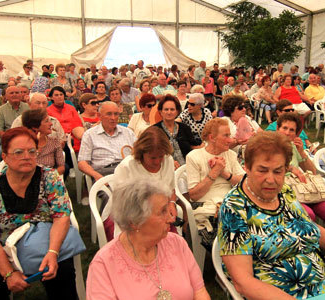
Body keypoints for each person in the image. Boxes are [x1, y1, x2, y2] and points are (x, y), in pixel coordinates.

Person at [218, 131, 325, 299]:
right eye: (262, 170)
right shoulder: (235, 207)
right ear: (246, 167)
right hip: (274, 290)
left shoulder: (283, 192)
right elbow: (243, 281)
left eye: (278, 171)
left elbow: (309, 229)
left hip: (319, 281)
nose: (271, 179)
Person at [0, 127, 76, 300]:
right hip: (4, 246)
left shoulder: (49, 177)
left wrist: (53, 252)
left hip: (46, 241)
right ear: (4, 156)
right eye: (18, 152)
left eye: (32, 151)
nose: (27, 156)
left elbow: (61, 217)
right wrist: (9, 273)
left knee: (62, 274)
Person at [86, 177, 210, 300]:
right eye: (162, 212)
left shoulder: (177, 244)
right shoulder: (103, 266)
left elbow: (199, 291)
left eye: (168, 208)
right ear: (135, 221)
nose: (171, 218)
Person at [186, 118, 244, 249]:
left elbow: (243, 182)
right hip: (205, 205)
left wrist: (224, 173)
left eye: (230, 135)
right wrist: (214, 172)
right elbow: (194, 195)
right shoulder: (194, 157)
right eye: (226, 135)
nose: (230, 140)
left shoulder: (230, 155)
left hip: (231, 202)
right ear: (212, 138)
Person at [78, 101, 136, 181]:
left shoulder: (128, 133)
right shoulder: (89, 135)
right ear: (99, 116)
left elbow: (140, 155)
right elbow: (82, 162)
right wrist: (96, 175)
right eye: (109, 114)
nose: (113, 118)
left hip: (128, 171)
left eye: (116, 114)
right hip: (104, 173)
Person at [153, 95, 201, 166]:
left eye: (172, 109)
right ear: (160, 112)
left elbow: (193, 146)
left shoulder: (185, 128)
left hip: (188, 167)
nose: (169, 112)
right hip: (164, 168)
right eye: (166, 109)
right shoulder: (154, 130)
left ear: (177, 112)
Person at [22, 109, 65, 175]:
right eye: (46, 121)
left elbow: (61, 167)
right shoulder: (22, 144)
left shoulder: (54, 142)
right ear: (35, 126)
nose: (51, 124)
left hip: (49, 179)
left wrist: (48, 177)